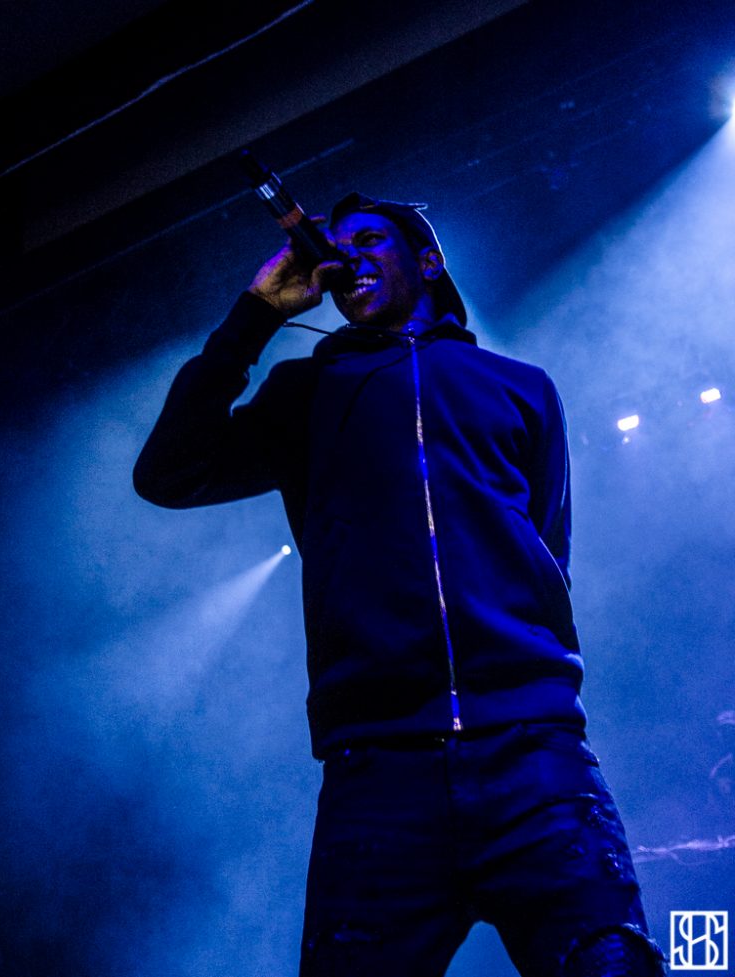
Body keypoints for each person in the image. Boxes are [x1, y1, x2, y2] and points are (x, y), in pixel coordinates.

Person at [133, 192, 667, 976]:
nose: (346, 255)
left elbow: (547, 548)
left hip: (534, 757)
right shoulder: (303, 393)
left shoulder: (520, 386)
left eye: (371, 239)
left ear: (429, 261)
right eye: (335, 245)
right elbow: (168, 472)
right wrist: (257, 313)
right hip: (379, 773)